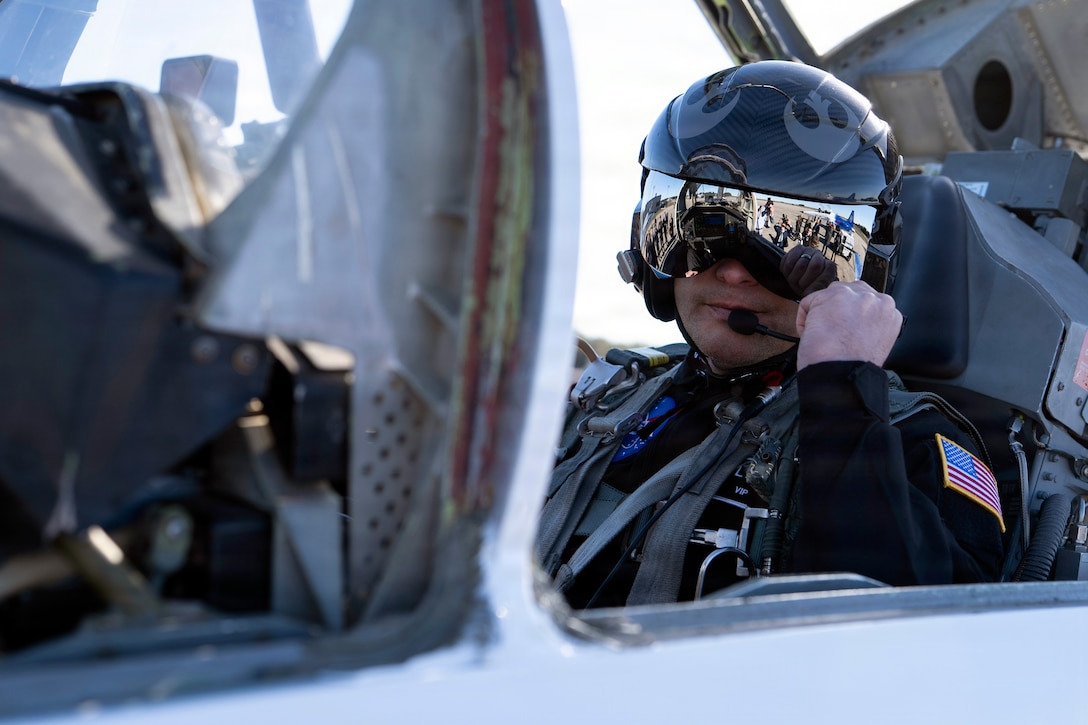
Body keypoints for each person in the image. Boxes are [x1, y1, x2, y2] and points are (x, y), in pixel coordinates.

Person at [536, 60, 1005, 609]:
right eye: (701, 231)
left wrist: (842, 384)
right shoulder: (615, 394)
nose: (734, 272)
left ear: (866, 268)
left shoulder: (918, 445)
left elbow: (913, 639)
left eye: (782, 248)